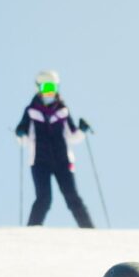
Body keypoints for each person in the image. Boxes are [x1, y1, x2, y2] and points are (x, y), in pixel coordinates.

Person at [15, 70, 95, 228]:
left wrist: (82, 130)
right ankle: (30, 232)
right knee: (44, 198)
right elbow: (23, 140)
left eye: (53, 87)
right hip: (40, 161)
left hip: (62, 160)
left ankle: (89, 231)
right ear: (38, 88)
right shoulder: (31, 111)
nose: (50, 92)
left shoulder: (62, 111)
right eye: (46, 87)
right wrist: (20, 134)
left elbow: (73, 136)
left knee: (72, 196)